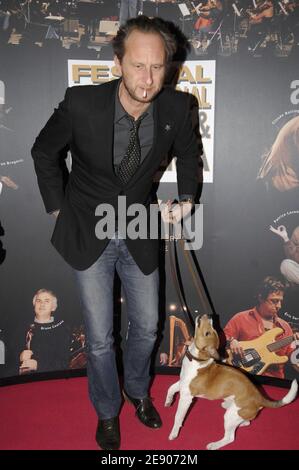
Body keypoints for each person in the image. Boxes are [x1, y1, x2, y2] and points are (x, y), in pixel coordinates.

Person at [31, 15, 203, 450]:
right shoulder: (81, 103)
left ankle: (139, 391)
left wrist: (185, 200)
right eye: (138, 65)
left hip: (142, 226)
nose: (147, 79)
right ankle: (108, 412)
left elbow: (189, 157)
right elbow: (44, 152)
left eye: (157, 67)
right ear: (118, 63)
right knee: (102, 336)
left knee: (147, 327)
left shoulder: (178, 107)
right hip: (88, 229)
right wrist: (57, 209)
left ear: (169, 66)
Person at [224, 276, 299, 379]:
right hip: (242, 379)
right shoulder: (241, 318)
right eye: (274, 301)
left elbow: (293, 359)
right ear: (260, 297)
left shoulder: (285, 327)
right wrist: (231, 341)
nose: (279, 306)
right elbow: (219, 339)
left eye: (280, 301)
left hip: (274, 383)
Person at [19, 289, 69, 374]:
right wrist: (19, 357)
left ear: (53, 307)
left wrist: (38, 365)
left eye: (46, 301)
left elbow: (64, 363)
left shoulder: (62, 330)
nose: (42, 304)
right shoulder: (21, 328)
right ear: (34, 304)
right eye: (38, 301)